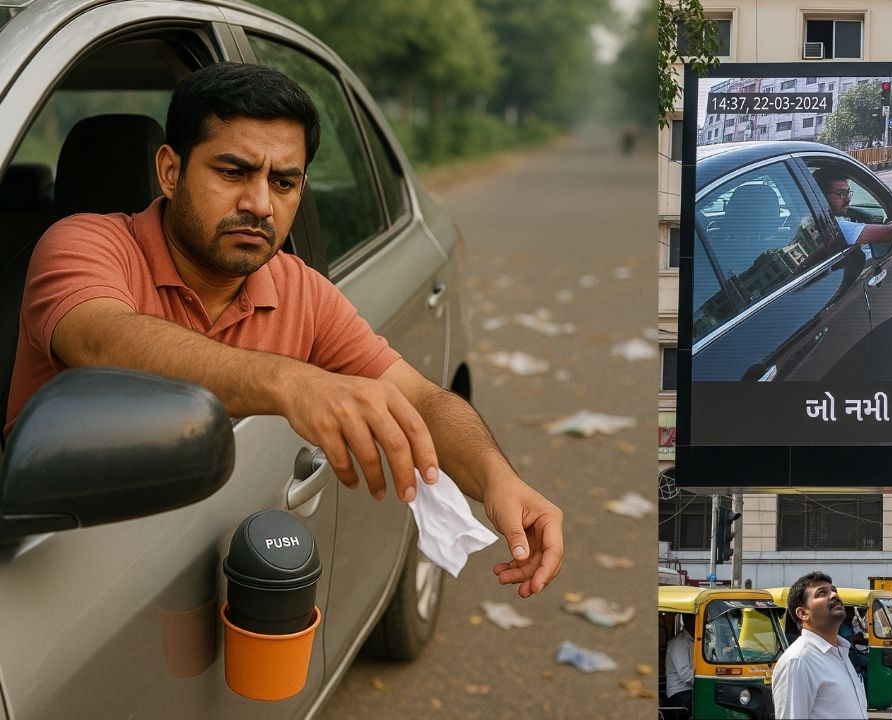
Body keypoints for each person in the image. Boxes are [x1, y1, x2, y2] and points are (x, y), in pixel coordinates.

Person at [6, 63, 562, 598]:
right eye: (232, 172)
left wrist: (497, 479)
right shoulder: (87, 244)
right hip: (69, 579)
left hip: (220, 571)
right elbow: (100, 338)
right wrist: (291, 382)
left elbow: (419, 399)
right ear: (170, 171)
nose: (259, 205)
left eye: (284, 182)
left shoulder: (302, 290)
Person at [773, 571, 868, 719]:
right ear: (803, 613)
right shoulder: (798, 661)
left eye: (834, 590)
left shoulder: (841, 653)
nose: (834, 595)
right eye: (822, 593)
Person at [664, 613, 695, 710]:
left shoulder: (696, 641)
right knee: (709, 701)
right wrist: (706, 682)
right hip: (679, 693)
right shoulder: (678, 643)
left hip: (691, 690)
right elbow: (686, 674)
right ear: (690, 621)